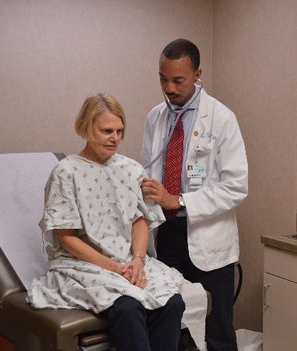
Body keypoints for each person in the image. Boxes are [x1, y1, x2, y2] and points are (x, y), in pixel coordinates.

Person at [27, 94, 187, 351]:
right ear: (86, 127)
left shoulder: (131, 169)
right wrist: (113, 267)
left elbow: (139, 220)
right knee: (128, 307)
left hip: (128, 261)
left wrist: (137, 260)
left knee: (173, 303)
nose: (115, 138)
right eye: (107, 131)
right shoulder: (66, 172)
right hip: (84, 264)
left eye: (120, 131)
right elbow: (66, 238)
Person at [141, 39, 248, 351]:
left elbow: (237, 186)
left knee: (217, 331)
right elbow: (150, 173)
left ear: (197, 74)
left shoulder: (222, 118)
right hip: (166, 235)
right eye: (163, 79)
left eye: (178, 80)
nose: (169, 88)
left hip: (207, 237)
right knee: (173, 323)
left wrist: (180, 200)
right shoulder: (155, 117)